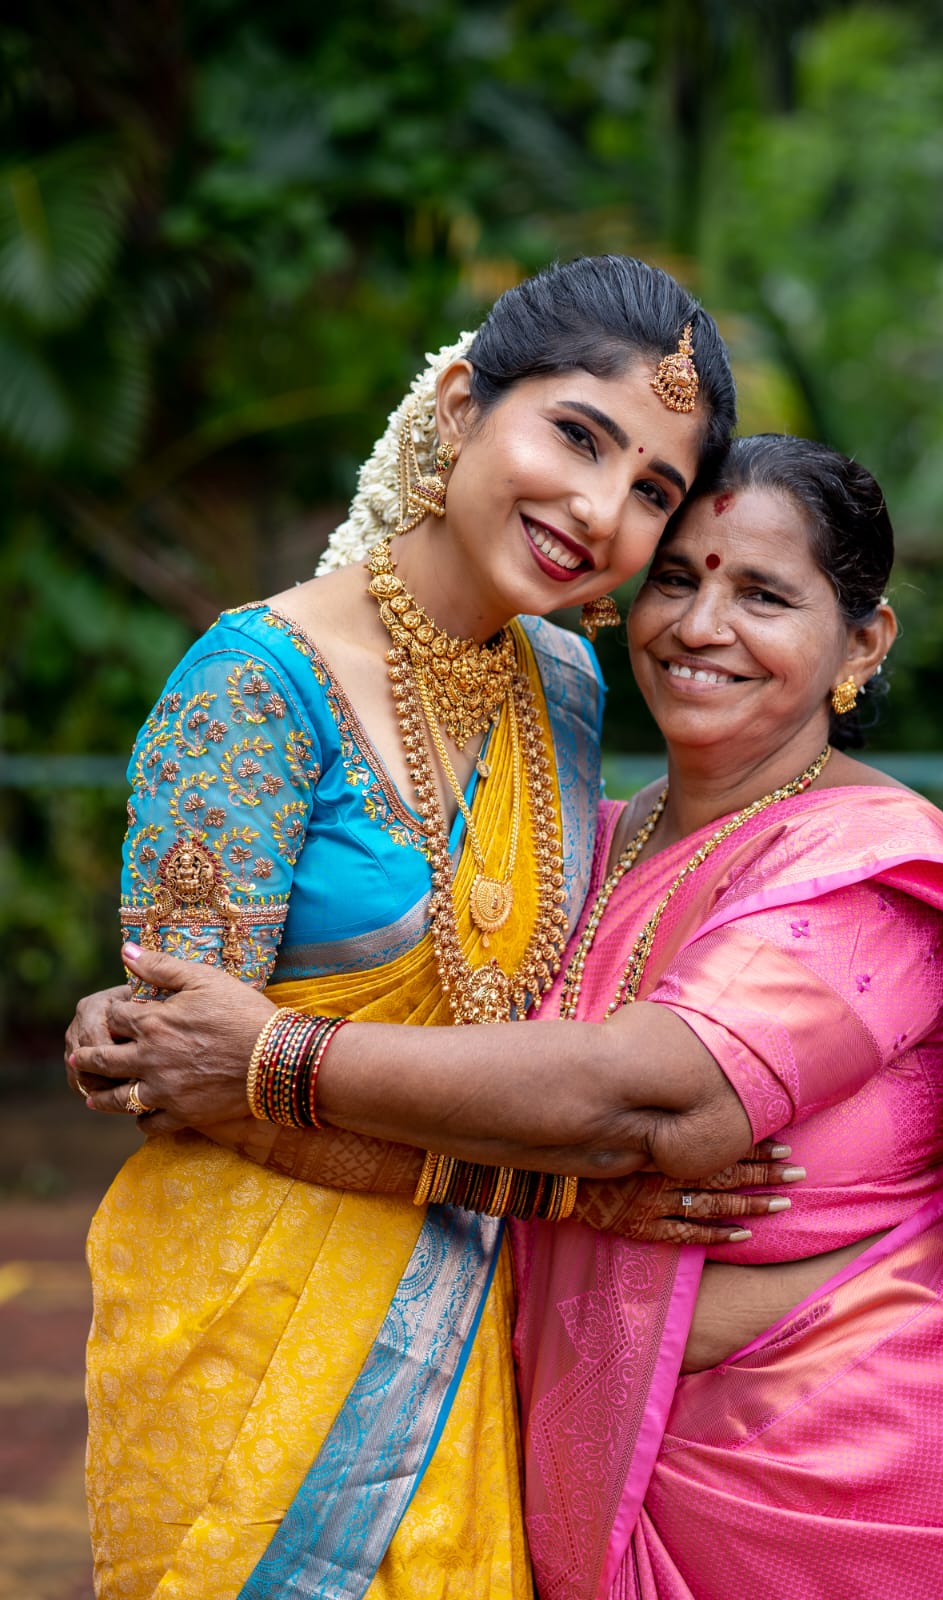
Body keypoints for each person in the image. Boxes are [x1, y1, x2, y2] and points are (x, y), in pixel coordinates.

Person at [75, 434, 943, 1599]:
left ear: (862, 639)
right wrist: (176, 1025)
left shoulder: (870, 870)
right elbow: (438, 1045)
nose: (700, 625)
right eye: (676, 578)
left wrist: (270, 1058)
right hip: (572, 1470)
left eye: (761, 594)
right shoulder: (587, 839)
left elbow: (651, 1095)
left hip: (835, 1486)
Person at [68, 255, 799, 1600]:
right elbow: (182, 1085)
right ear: (461, 405)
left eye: (650, 489)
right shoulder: (247, 689)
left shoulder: (566, 685)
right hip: (248, 1327)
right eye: (575, 436)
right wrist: (562, 1188)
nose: (598, 509)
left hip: (476, 1335)